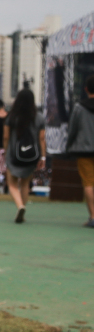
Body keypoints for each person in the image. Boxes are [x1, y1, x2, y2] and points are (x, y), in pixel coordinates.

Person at [3, 89, 46, 223]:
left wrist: (6, 151)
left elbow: (5, 136)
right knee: (25, 183)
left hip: (13, 154)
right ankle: (23, 208)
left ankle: (20, 205)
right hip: (31, 156)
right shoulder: (39, 117)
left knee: (12, 184)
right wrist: (43, 157)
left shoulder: (11, 116)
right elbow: (42, 138)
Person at [66, 75, 94, 227]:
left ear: (86, 89)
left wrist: (69, 146)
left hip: (84, 150)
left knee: (89, 183)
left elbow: (72, 130)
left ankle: (93, 216)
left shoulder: (79, 107)